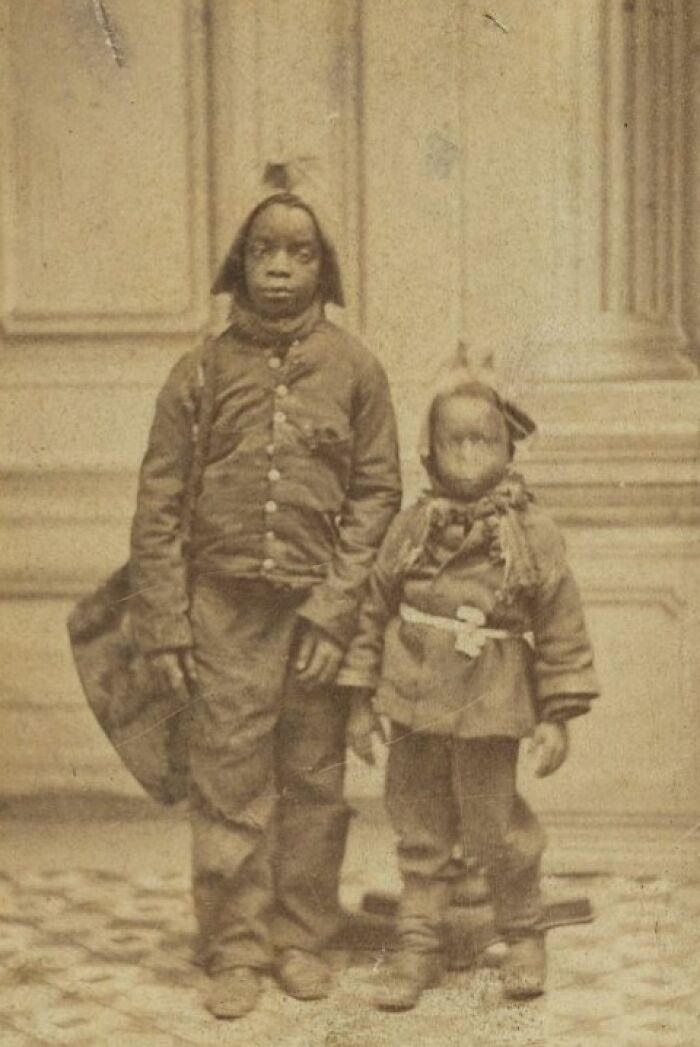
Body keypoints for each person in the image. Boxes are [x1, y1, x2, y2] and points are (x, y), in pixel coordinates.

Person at [129, 160, 402, 1019]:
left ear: (327, 268)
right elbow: (159, 504)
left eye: (301, 253)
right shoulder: (197, 375)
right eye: (263, 252)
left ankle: (301, 937)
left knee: (314, 778)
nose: (281, 268)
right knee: (230, 774)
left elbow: (378, 494)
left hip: (317, 613)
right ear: (237, 265)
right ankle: (237, 945)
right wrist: (168, 624)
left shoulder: (358, 371)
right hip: (221, 611)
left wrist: (334, 607)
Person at [340, 366, 599, 1010]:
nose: (466, 455)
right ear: (428, 451)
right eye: (452, 442)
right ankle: (417, 945)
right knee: (419, 826)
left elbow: (560, 623)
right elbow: (372, 608)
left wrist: (556, 715)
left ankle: (523, 935)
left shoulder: (528, 533)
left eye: (483, 442)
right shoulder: (412, 526)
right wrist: (357, 702)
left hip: (490, 697)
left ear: (509, 450)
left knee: (494, 826)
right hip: (415, 696)